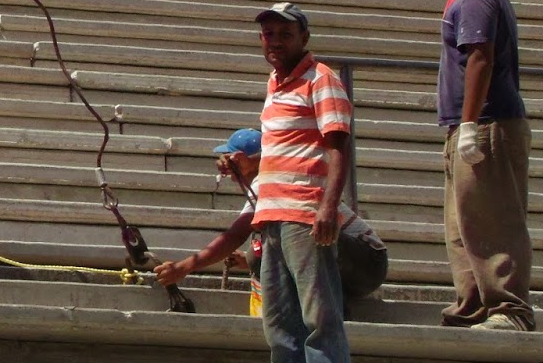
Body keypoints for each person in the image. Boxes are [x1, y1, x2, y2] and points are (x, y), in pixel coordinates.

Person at [248, 3, 361, 363]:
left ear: (304, 38)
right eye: (267, 34)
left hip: (304, 216)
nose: (273, 41)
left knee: (320, 321)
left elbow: (337, 147)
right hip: (271, 218)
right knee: (279, 328)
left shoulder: (322, 79)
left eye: (283, 34)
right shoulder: (274, 85)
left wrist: (329, 208)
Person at [436, 0, 535, 331]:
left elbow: (480, 56)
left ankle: (509, 309)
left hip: (487, 122)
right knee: (464, 222)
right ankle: (474, 302)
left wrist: (472, 124)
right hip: (469, 122)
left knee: (491, 218)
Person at [156, 128, 388, 304]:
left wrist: (184, 267)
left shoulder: (268, 181)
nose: (224, 164)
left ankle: (320, 316)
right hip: (357, 266)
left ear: (241, 158)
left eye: (229, 157)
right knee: (257, 253)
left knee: (263, 248)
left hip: (365, 259)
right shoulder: (267, 182)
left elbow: (235, 235)